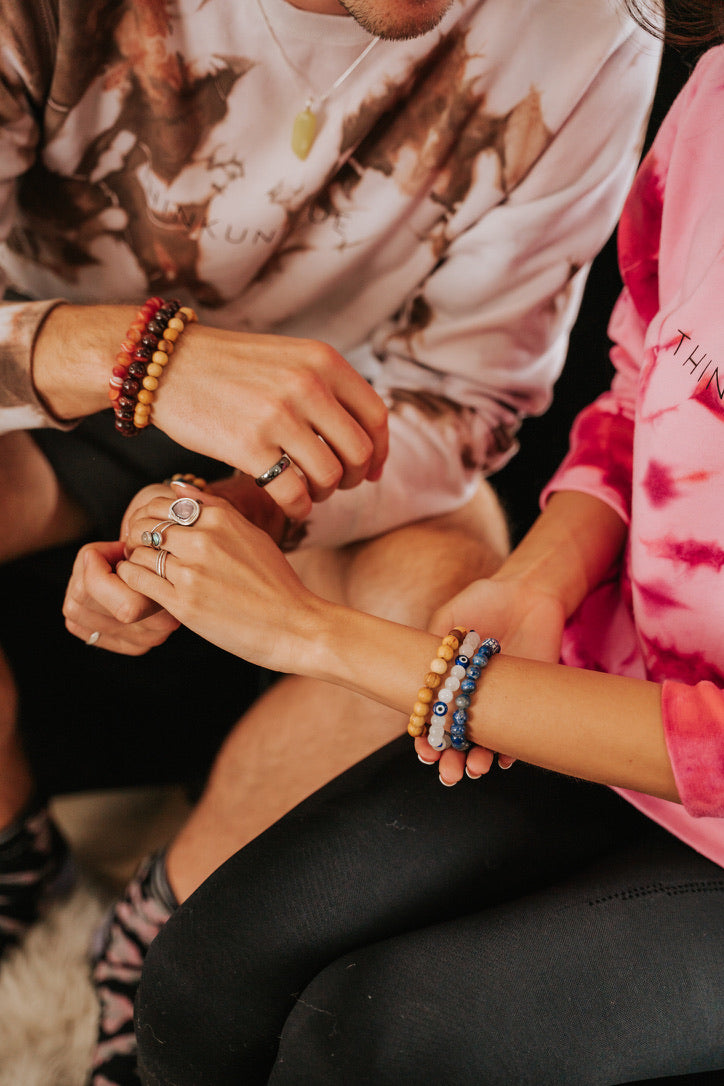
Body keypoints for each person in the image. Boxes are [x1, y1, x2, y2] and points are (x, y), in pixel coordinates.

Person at [0, 0, 659, 1081]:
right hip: (35, 404)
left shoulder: (604, 26)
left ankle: (154, 934)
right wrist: (135, 359)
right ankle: (12, 855)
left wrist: (241, 513)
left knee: (449, 589)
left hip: (333, 455)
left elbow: (468, 392)